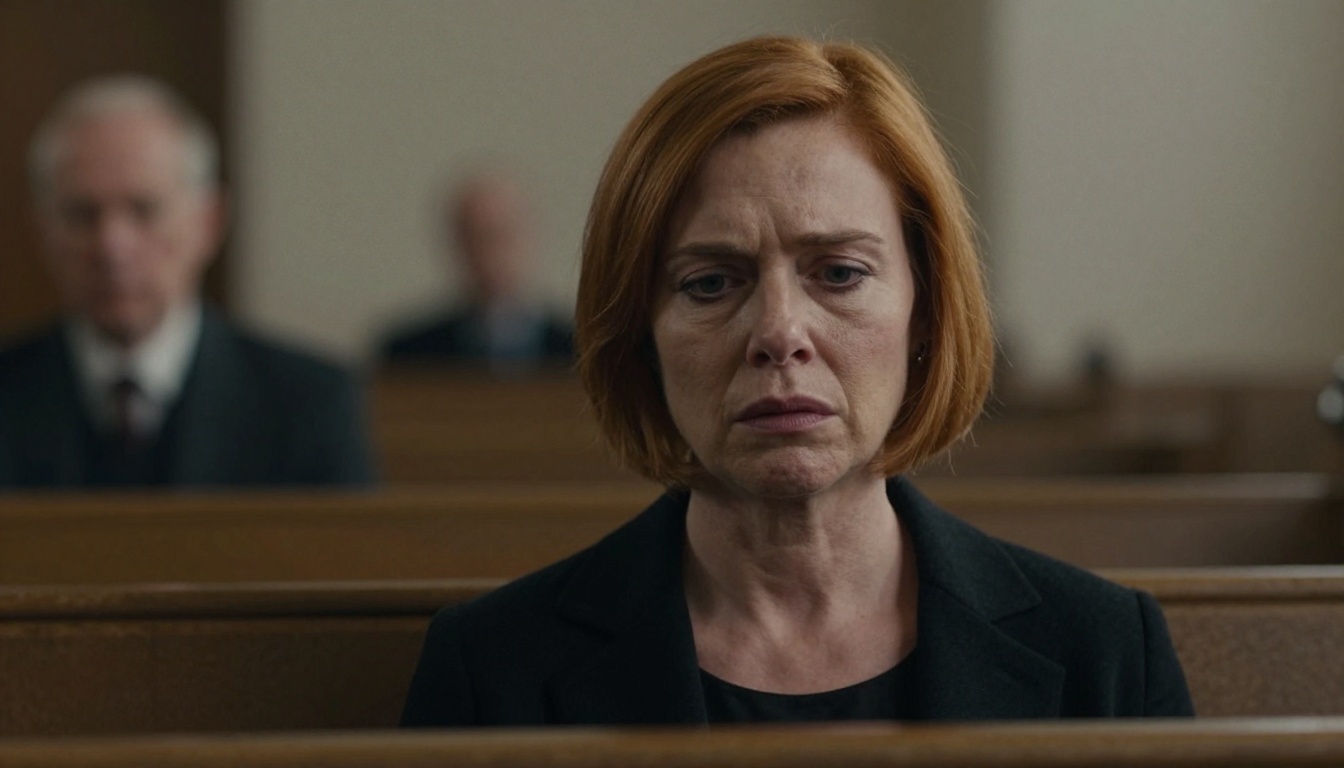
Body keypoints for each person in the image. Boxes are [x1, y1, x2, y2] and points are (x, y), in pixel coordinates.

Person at [401, 36, 1193, 725]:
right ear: (640, 336)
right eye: (711, 283)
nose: (779, 333)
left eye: (839, 272)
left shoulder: (1105, 651)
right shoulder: (490, 669)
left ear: (925, 309)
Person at [0, 76, 376, 488]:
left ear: (209, 221)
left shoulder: (306, 400)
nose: (112, 246)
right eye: (82, 214)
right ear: (42, 228)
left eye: (144, 210)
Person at [378, 171, 574, 374]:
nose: (492, 251)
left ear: (533, 236)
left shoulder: (579, 350)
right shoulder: (409, 354)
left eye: (502, 234)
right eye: (476, 236)